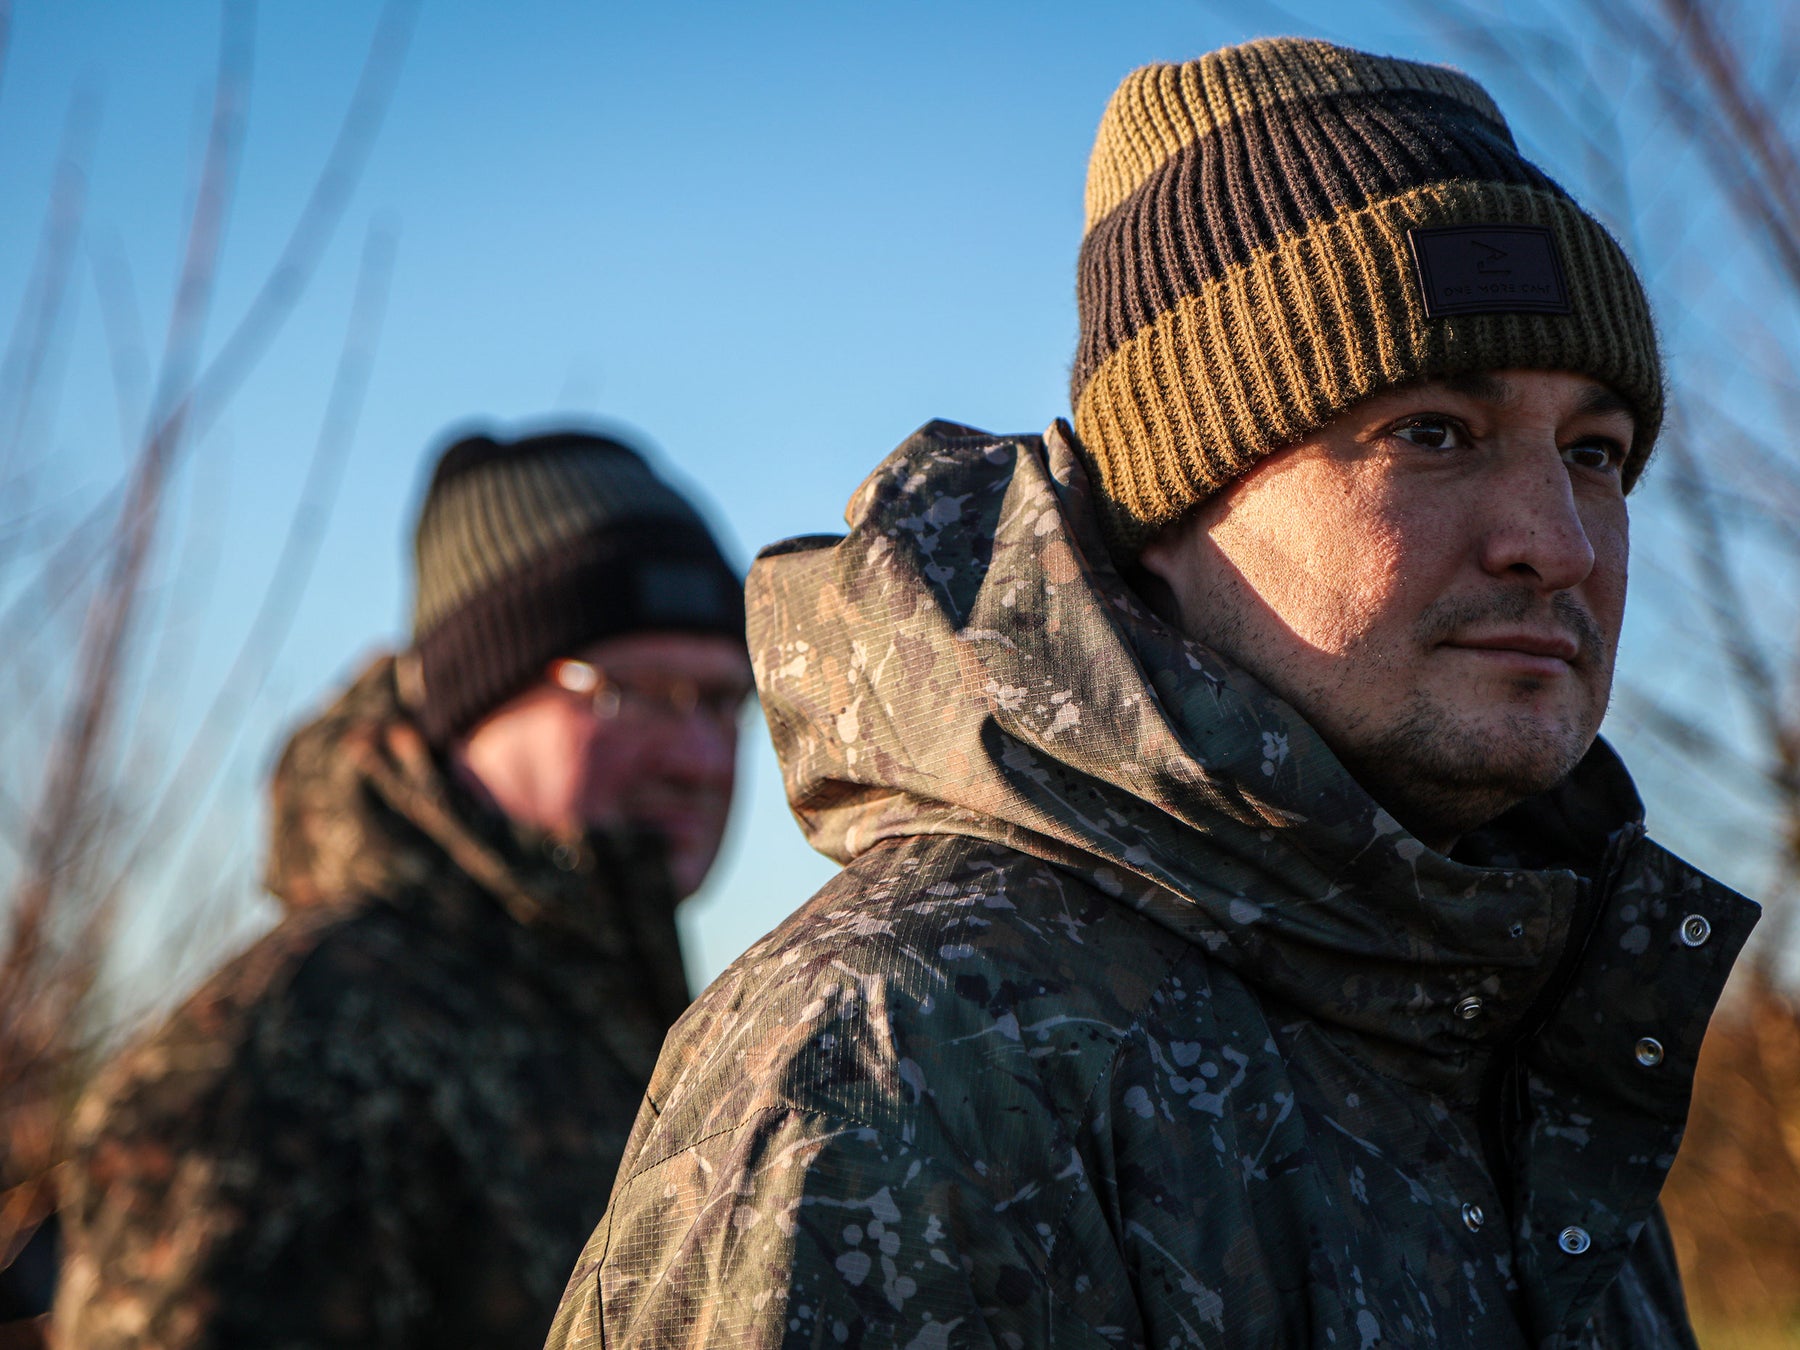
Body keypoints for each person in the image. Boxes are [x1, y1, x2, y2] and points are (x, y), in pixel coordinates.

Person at [548, 39, 1761, 1349]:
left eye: (1595, 451)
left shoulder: (1534, 1040)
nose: (1558, 541)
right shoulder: (908, 1057)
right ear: (1171, 506)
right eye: (1432, 433)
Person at [55, 428, 753, 1348]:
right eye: (631, 691)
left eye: (724, 702)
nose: (699, 758)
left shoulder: (634, 1030)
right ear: (472, 701)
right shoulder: (289, 1058)